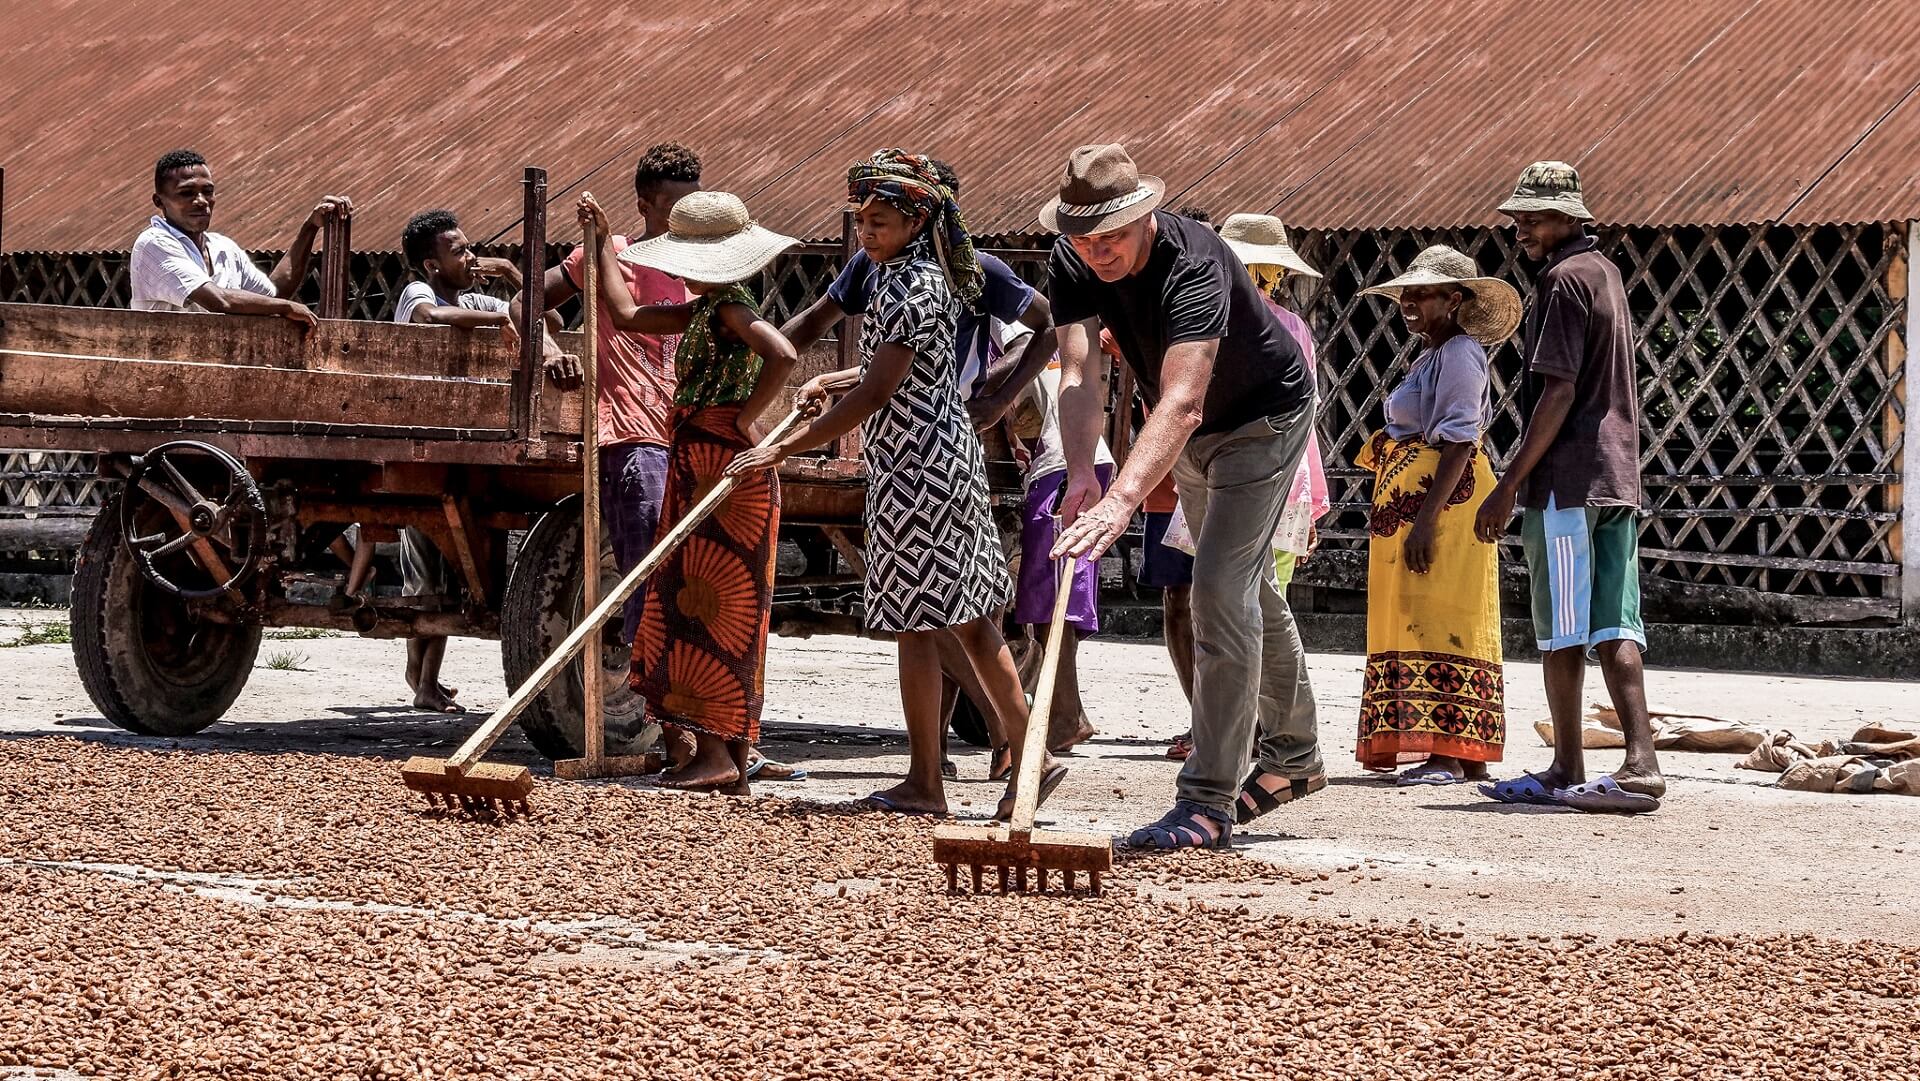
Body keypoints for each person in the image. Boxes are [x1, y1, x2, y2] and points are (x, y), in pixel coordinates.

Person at [730, 150, 1059, 819]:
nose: (867, 232)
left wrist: (783, 446)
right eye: (863, 220)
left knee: (964, 621)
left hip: (929, 470)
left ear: (915, 220)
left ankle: (1031, 753)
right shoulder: (888, 275)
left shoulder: (914, 286)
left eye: (880, 221)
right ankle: (925, 780)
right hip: (907, 466)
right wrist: (823, 383)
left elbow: (881, 389)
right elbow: (887, 374)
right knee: (916, 624)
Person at [1045, 144, 1322, 850]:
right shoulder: (1073, 259)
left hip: (1263, 418)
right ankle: (1296, 757)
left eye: (1110, 237)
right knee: (1245, 589)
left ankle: (1206, 801)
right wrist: (1084, 472)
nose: (1097, 252)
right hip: (1192, 435)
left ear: (1144, 219)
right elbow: (1079, 375)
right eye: (1085, 238)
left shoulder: (1195, 264)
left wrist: (1122, 502)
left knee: (1218, 591)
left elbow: (1183, 398)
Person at [580, 189, 801, 794]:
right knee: (696, 603)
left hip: (723, 462)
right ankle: (726, 754)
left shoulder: (731, 308)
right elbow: (624, 314)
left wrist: (743, 419)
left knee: (708, 608)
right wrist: (600, 242)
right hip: (698, 457)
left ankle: (719, 755)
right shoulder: (703, 311)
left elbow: (782, 355)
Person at [1475, 161, 1664, 814]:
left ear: (1570, 218)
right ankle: (1641, 761)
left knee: (1562, 628)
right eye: (1520, 216)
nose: (1522, 227)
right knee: (1616, 623)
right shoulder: (1605, 273)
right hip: (1617, 479)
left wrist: (1507, 486)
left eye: (1536, 216)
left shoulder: (1561, 280)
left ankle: (1565, 768)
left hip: (1568, 484)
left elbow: (1556, 391)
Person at [1354, 245, 1520, 784]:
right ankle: (1443, 747)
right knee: (1417, 614)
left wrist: (1425, 519)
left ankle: (1448, 751)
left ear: (1454, 299)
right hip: (1415, 505)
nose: (1408, 302)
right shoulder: (1432, 355)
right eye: (1406, 293)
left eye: (1422, 293)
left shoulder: (1461, 354)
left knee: (1444, 615)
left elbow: (1460, 439)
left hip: (1443, 508)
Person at [391, 208, 550, 713]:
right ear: (432, 264)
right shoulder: (420, 294)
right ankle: (422, 683)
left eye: (466, 247)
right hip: (421, 451)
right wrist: (504, 318)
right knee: (428, 573)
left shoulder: (474, 295)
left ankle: (422, 679)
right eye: (457, 250)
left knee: (446, 568)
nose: (469, 256)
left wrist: (515, 281)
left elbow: (553, 318)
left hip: (461, 448)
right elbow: (434, 319)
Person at [1005, 333, 1115, 753]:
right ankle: (1063, 711)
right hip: (1063, 461)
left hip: (1066, 463)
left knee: (1055, 594)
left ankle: (1065, 715)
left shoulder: (1009, 329)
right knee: (1046, 595)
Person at [130, 148, 349, 323]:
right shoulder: (154, 243)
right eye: (186, 193)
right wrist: (287, 307)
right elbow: (218, 301)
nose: (201, 201)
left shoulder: (223, 248)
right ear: (159, 202)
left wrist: (309, 228)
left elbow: (273, 295)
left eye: (207, 191)